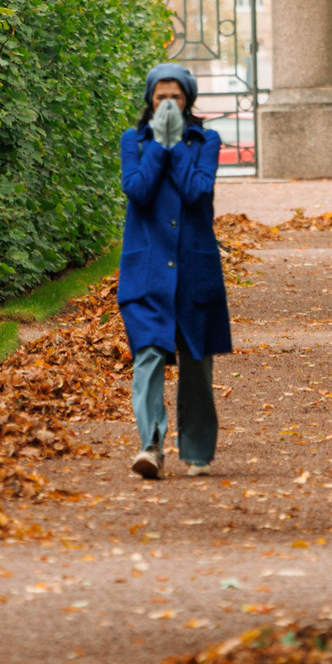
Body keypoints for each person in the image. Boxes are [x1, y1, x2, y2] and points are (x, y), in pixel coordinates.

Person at [117, 62, 232, 478]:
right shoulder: (133, 141)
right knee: (147, 354)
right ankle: (150, 445)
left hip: (193, 268)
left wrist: (177, 144)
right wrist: (159, 148)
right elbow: (138, 191)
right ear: (150, 98)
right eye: (161, 96)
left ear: (189, 100)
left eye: (176, 97)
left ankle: (197, 451)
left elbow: (197, 190)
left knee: (196, 361)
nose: (168, 104)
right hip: (147, 270)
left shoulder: (207, 139)